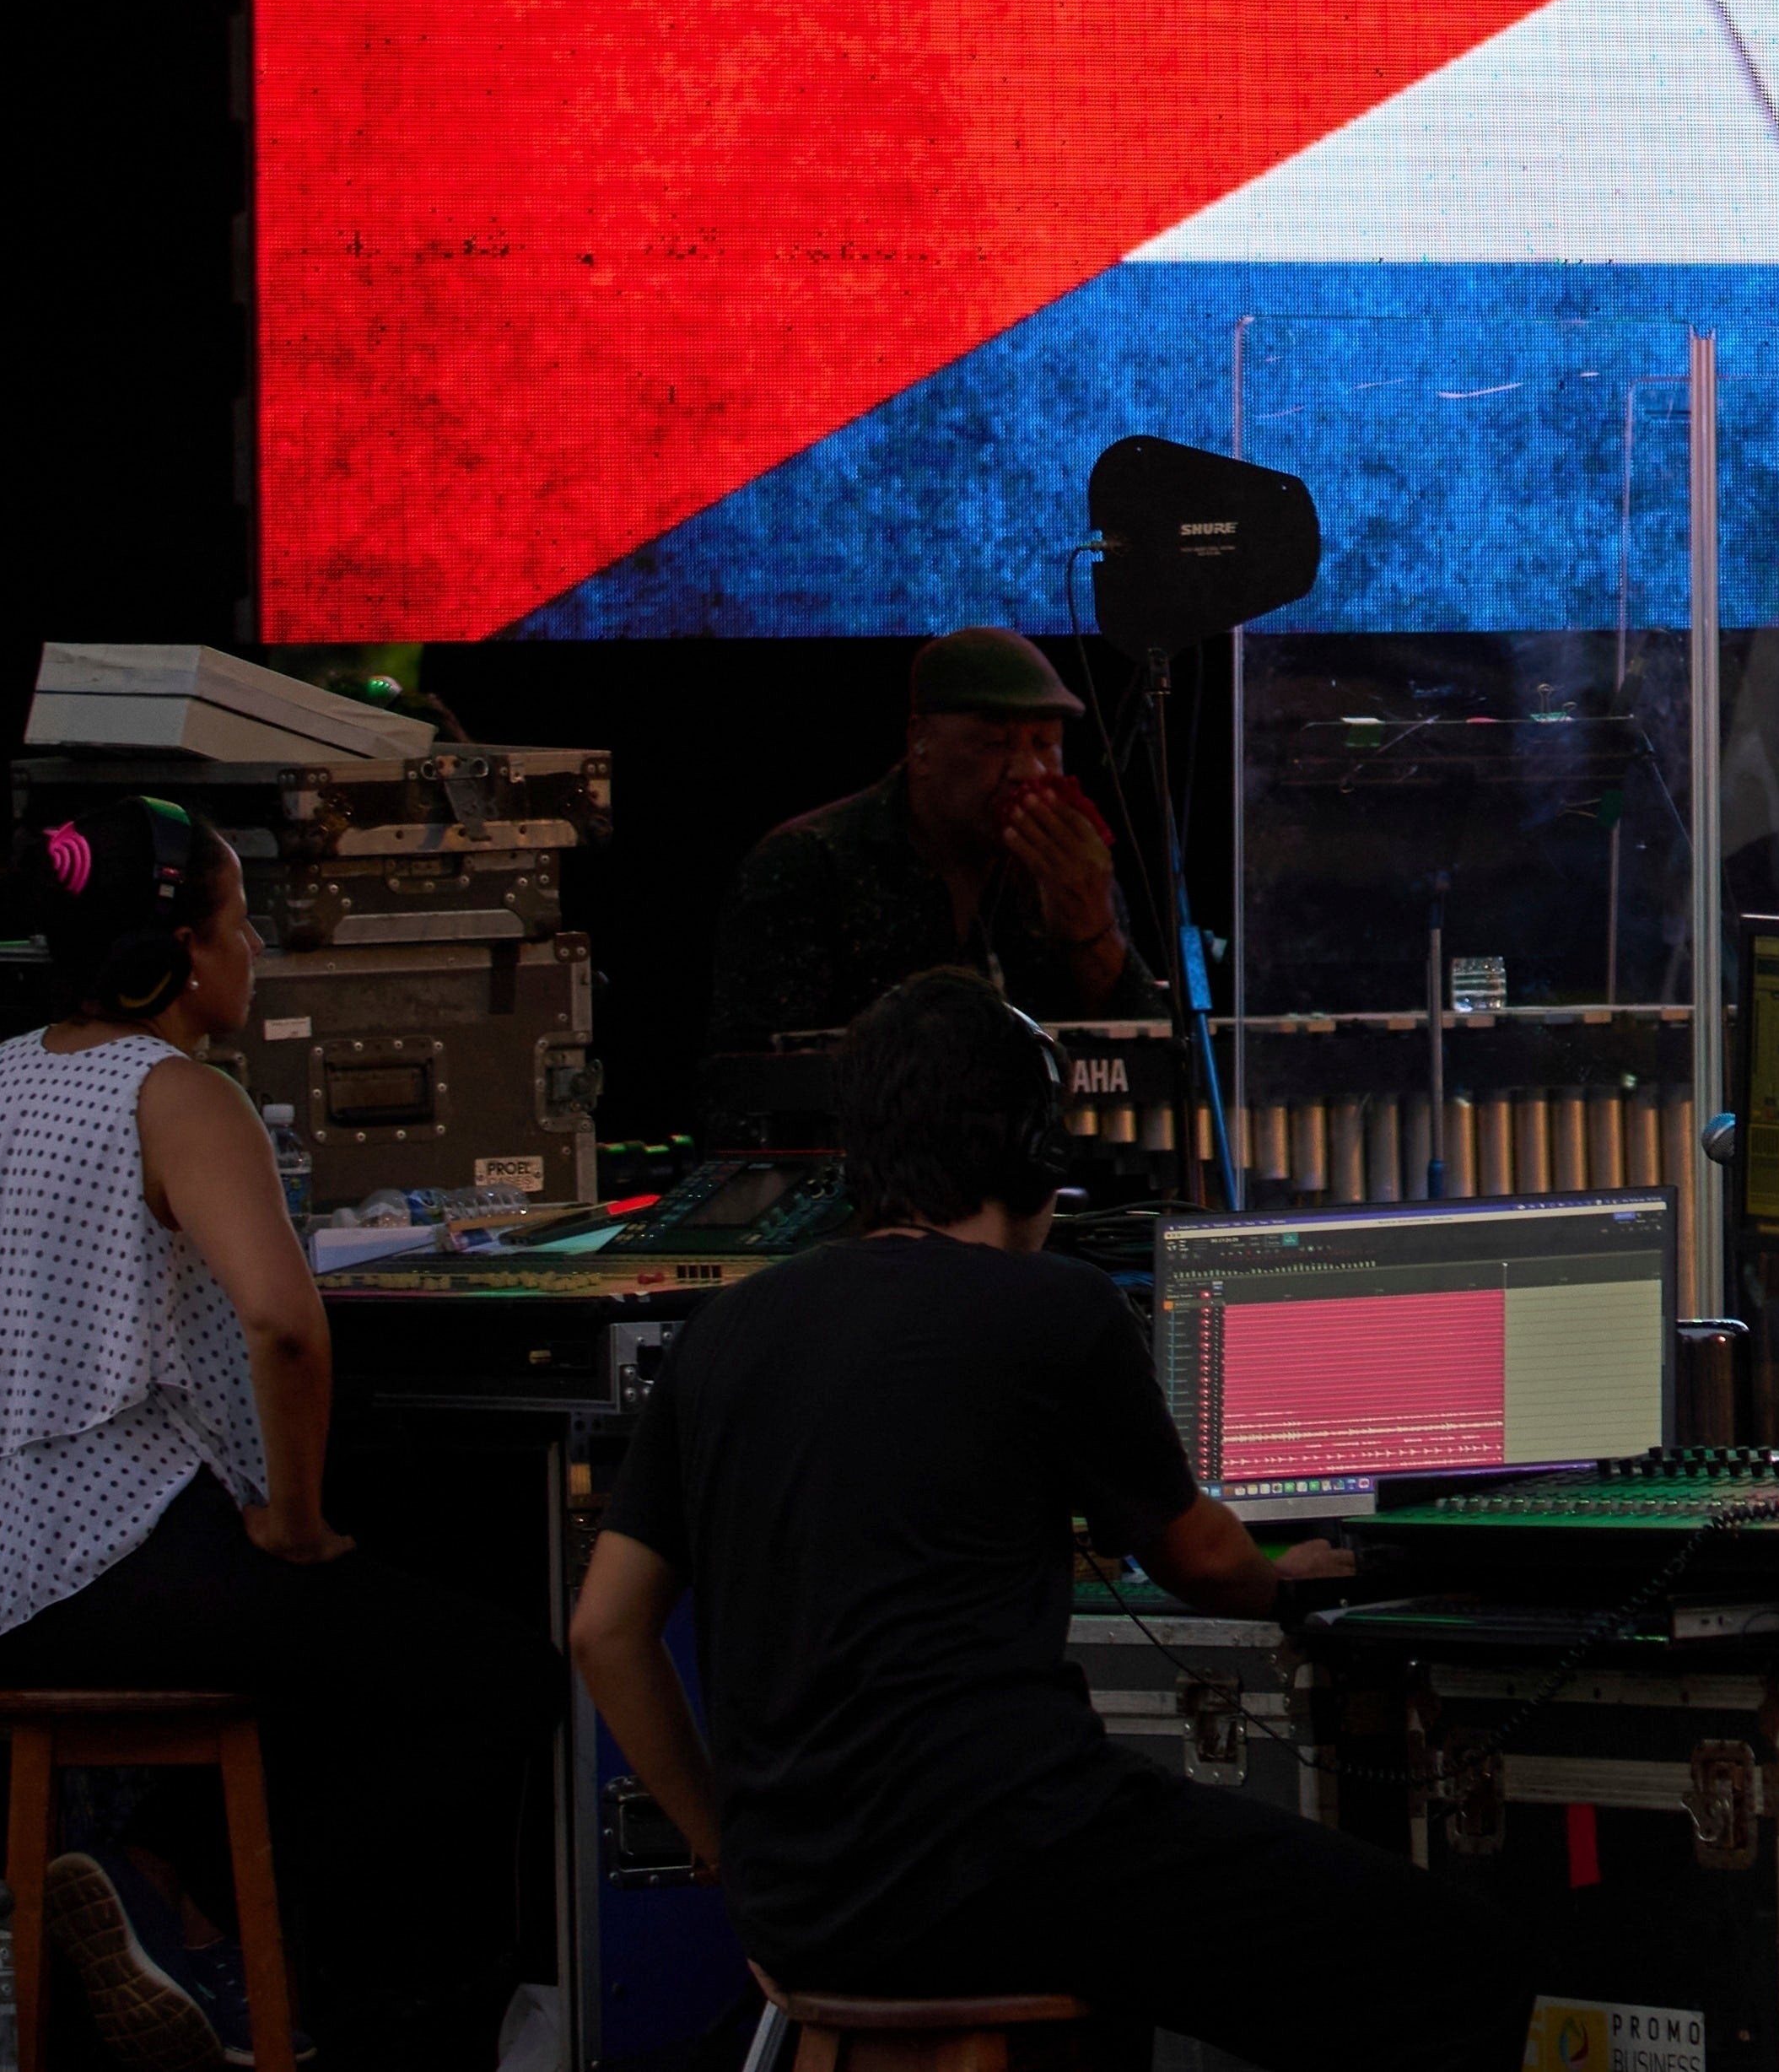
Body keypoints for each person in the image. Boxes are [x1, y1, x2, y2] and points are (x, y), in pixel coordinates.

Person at [570, 973, 1526, 2065]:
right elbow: (1204, 1559)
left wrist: (729, 1850)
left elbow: (604, 1630)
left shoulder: (724, 1331)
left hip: (801, 1912)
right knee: (1461, 1962)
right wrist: (1294, 1576)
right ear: (1032, 1152)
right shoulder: (1051, 1307)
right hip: (1011, 1861)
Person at [0, 798, 547, 2072]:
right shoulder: (180, 1093)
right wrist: (294, 1524)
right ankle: (193, 1902)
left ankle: (167, 1890)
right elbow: (285, 1326)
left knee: (337, 1646)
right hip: (105, 1565)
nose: (253, 948)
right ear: (179, 952)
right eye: (240, 922)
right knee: (496, 1677)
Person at [714, 626, 1167, 1048]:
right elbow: (752, 1077)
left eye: (1044, 745)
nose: (1028, 771)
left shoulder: (1071, 873)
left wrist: (1092, 930)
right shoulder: (809, 866)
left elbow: (1155, 1064)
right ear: (922, 745)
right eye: (996, 744)